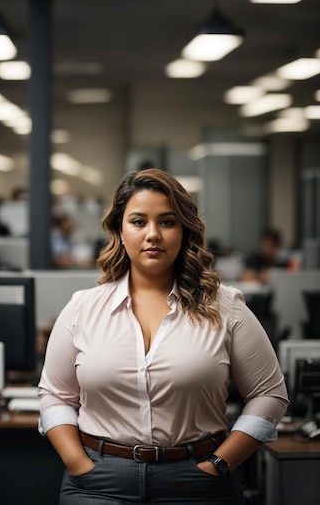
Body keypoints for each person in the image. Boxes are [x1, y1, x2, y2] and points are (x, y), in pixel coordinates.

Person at [38, 169, 289, 505]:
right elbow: (55, 396)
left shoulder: (225, 306)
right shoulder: (83, 308)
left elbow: (269, 394)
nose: (152, 234)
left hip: (198, 482)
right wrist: (77, 463)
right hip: (98, 484)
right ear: (120, 230)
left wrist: (220, 464)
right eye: (139, 222)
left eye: (167, 222)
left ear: (184, 231)